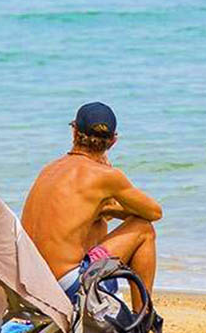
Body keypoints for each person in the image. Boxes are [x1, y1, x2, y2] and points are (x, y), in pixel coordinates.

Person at [21, 102, 163, 313]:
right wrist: (113, 207)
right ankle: (142, 316)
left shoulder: (49, 169)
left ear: (74, 132)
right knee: (143, 229)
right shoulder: (106, 176)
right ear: (113, 141)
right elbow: (154, 213)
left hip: (31, 286)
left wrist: (106, 209)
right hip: (69, 289)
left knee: (96, 221)